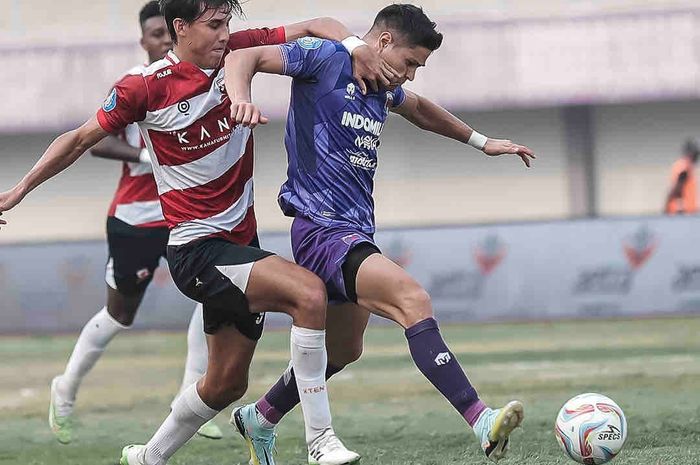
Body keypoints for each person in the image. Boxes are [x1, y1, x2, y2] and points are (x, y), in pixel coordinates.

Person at [0, 1, 395, 464]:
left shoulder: (237, 51)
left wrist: (353, 45)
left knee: (226, 383)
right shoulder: (143, 87)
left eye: (227, 22)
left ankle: (148, 457)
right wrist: (17, 191)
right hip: (196, 248)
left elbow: (315, 24)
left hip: (238, 247)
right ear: (180, 28)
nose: (226, 33)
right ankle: (320, 440)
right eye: (214, 25)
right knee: (308, 294)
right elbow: (79, 138)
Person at [224, 4, 535, 463]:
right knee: (413, 300)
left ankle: (262, 416)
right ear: (384, 42)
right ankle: (480, 419)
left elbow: (422, 110)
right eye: (410, 63)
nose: (409, 76)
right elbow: (242, 57)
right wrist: (239, 98)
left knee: (344, 350)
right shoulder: (325, 58)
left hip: (351, 230)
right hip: (322, 229)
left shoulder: (381, 86)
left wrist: (481, 142)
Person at [47, 1, 223, 445]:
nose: (164, 40)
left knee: (214, 292)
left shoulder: (204, 76)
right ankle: (64, 388)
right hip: (137, 218)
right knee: (120, 314)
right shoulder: (135, 86)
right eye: (155, 34)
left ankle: (191, 392)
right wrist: (146, 155)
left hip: (185, 215)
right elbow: (95, 144)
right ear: (144, 40)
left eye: (168, 32)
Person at [665, 138, 699, 215]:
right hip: (683, 213)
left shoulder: (684, 165)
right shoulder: (685, 166)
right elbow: (676, 189)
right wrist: (680, 206)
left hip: (686, 212)